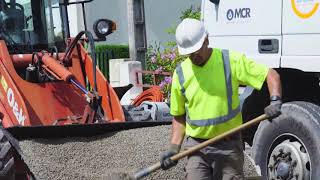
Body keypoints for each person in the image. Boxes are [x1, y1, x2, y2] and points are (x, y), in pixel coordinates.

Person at [160, 18, 282, 180]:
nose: (193, 56)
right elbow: (179, 116)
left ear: (207, 40)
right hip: (197, 148)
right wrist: (174, 148)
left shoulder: (229, 61)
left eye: (196, 51)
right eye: (189, 54)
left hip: (228, 145)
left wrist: (275, 100)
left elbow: (270, 74)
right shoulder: (181, 73)